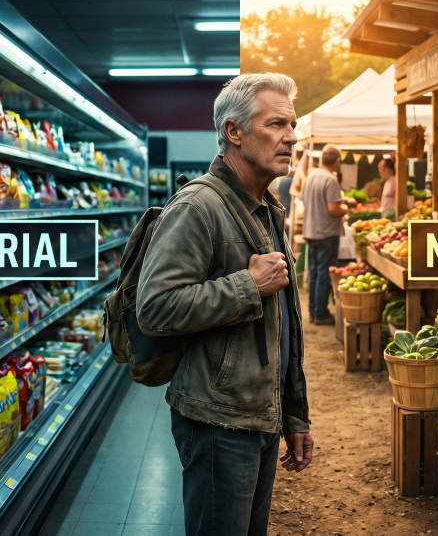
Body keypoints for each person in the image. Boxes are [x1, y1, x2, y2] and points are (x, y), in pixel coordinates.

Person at [136, 73, 313, 536]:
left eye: (292, 124)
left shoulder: (267, 208)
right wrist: (247, 286)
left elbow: (284, 325)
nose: (292, 136)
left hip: (260, 415)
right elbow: (154, 307)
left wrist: (293, 413)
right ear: (234, 132)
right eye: (276, 124)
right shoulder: (198, 207)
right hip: (216, 423)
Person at [302, 144, 350, 325]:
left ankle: (313, 311)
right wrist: (345, 208)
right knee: (323, 273)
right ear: (337, 161)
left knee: (314, 272)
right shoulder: (330, 179)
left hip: (311, 231)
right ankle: (321, 313)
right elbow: (333, 208)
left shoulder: (310, 176)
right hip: (326, 233)